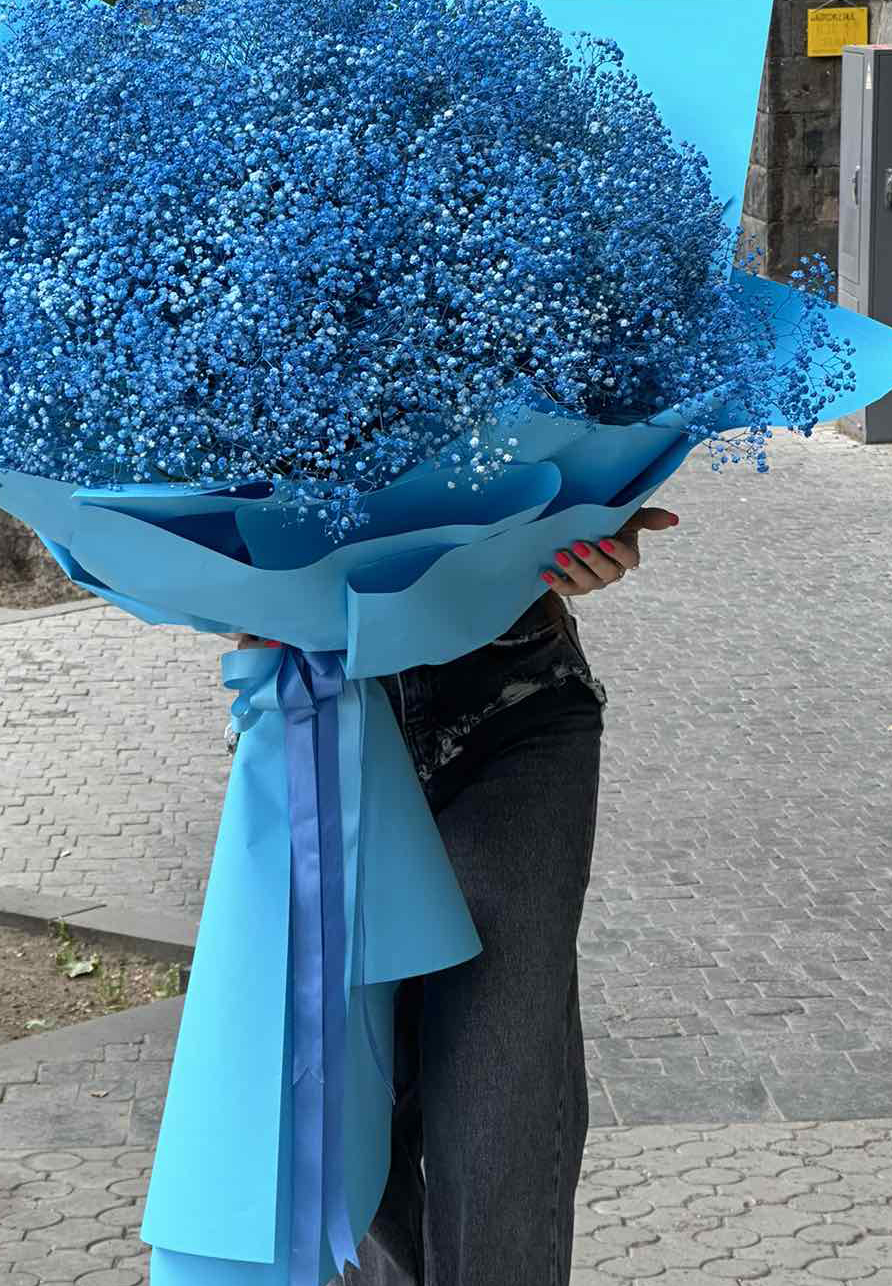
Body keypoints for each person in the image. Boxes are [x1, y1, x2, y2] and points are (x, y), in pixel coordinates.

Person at [340, 503, 679, 1286]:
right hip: (324, 704)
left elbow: (600, 405)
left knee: (500, 1109)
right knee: (343, 1107)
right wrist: (220, 592)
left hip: (515, 700)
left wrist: (608, 515)